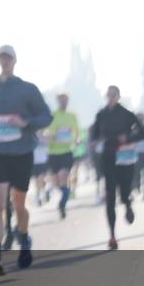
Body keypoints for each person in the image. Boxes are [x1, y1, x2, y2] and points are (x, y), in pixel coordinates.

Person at [0, 45, 53, 276]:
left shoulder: (27, 89)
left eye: (8, 57)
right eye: (2, 57)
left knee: (19, 204)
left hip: (21, 152)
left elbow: (46, 116)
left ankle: (24, 237)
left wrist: (25, 122)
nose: (5, 61)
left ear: (15, 61)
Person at [89, 85, 143, 250]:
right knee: (110, 196)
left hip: (125, 159)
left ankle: (127, 204)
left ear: (118, 96)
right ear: (107, 96)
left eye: (114, 95)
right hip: (108, 158)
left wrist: (127, 137)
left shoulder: (127, 114)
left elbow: (141, 133)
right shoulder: (101, 114)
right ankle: (112, 235)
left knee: (125, 191)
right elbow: (94, 134)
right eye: (109, 95)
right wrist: (94, 141)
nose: (111, 97)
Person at [48, 91, 81, 219]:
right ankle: (65, 193)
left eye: (66, 100)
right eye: (61, 100)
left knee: (64, 177)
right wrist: (52, 136)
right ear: (58, 101)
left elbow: (77, 132)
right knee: (57, 183)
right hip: (53, 152)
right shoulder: (52, 115)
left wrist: (77, 140)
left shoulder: (72, 116)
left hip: (67, 151)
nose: (64, 102)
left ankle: (62, 204)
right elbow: (46, 132)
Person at [32, 131, 50, 207]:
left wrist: (42, 137)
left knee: (41, 178)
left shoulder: (45, 136)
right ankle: (39, 195)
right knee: (37, 181)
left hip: (43, 162)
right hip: (33, 162)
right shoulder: (31, 136)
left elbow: (49, 143)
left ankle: (41, 194)